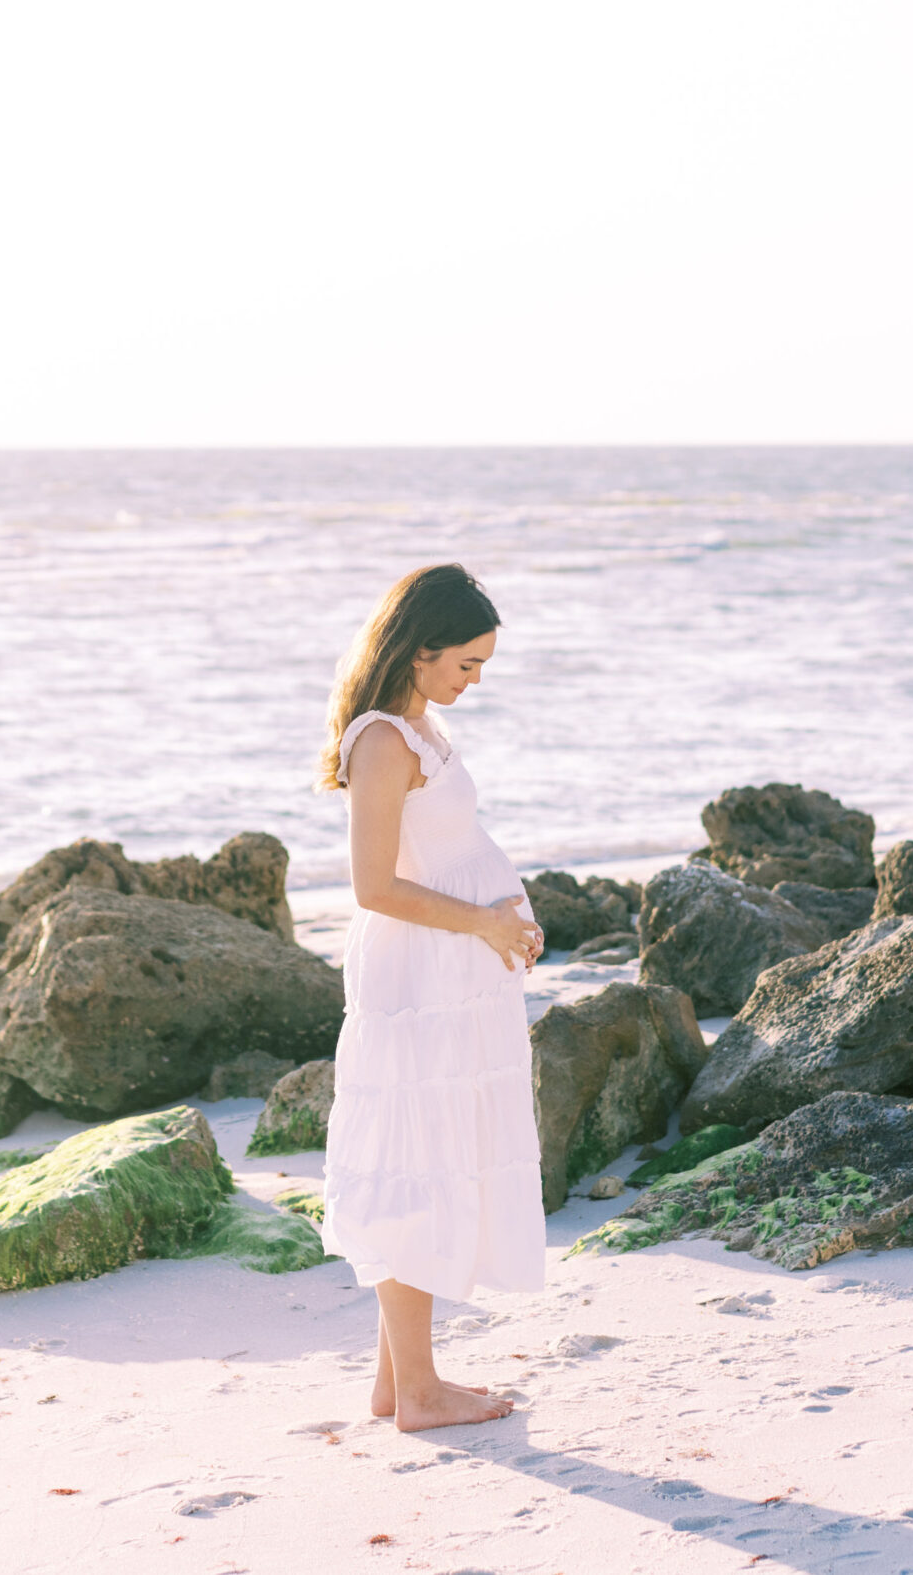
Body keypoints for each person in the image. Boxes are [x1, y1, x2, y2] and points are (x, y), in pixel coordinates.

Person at [317, 563, 546, 1432]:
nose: (474, 680)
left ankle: (396, 1383)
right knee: (414, 1164)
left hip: (456, 975)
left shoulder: (424, 727)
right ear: (419, 651)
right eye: (466, 663)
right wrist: (485, 923)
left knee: (436, 1156)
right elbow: (374, 886)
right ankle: (418, 1391)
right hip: (418, 977)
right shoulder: (382, 742)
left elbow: (452, 844)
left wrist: (506, 920)